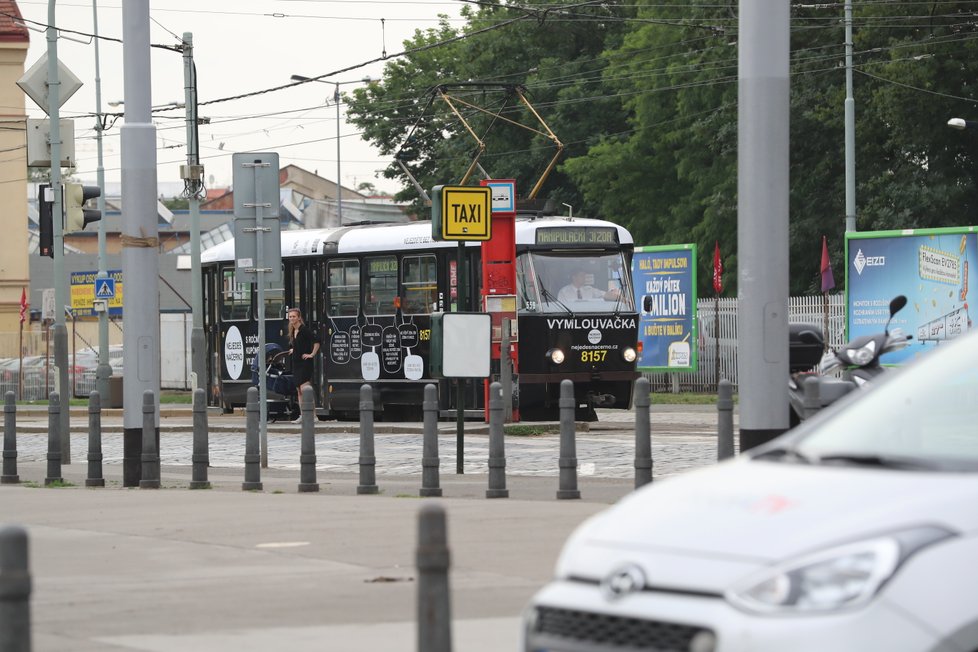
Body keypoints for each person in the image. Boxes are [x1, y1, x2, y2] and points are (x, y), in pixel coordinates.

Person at [287, 308, 320, 423]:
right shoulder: (293, 331)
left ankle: (314, 416)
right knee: (299, 391)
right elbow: (299, 345)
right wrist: (293, 350)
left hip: (305, 363)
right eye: (290, 316)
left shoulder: (304, 330)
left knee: (305, 389)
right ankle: (303, 415)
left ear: (299, 317)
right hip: (296, 363)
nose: (292, 318)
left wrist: (312, 354)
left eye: (294, 316)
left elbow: (317, 341)